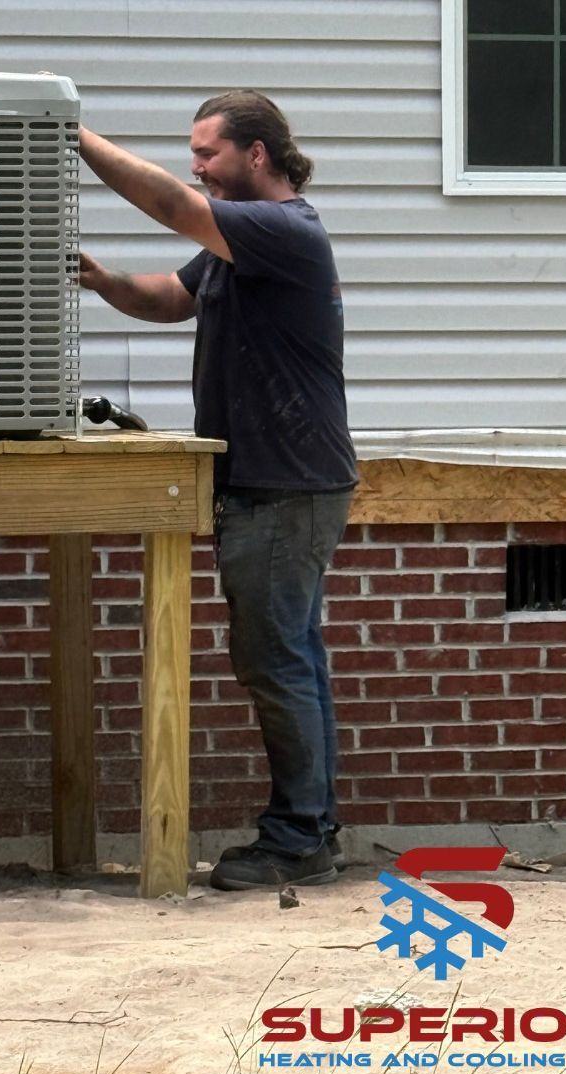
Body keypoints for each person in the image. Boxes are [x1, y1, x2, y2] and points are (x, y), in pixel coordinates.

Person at [78, 91, 357, 891]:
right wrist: (103, 281)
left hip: (284, 485)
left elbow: (173, 205)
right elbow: (171, 298)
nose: (197, 166)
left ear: (255, 154)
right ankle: (310, 829)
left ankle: (298, 839)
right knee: (291, 655)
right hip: (279, 482)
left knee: (276, 659)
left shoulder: (283, 229)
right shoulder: (238, 245)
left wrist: (74, 134)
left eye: (208, 152)